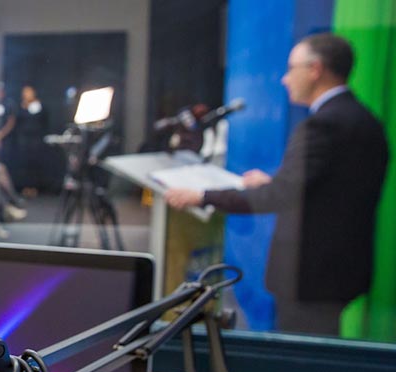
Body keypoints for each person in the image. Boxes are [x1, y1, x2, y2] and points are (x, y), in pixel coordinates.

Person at [165, 33, 389, 335]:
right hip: (340, 270)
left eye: (291, 68)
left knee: (305, 365)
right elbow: (335, 188)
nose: (285, 79)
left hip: (311, 276)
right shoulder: (363, 119)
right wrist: (275, 181)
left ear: (315, 69)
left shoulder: (323, 125)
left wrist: (202, 196)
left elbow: (280, 196)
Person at [10, 85, 52, 197]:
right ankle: (25, 187)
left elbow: (45, 121)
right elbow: (17, 121)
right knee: (24, 165)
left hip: (37, 140)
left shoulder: (40, 106)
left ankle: (34, 187)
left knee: (35, 165)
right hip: (24, 140)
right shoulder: (21, 107)